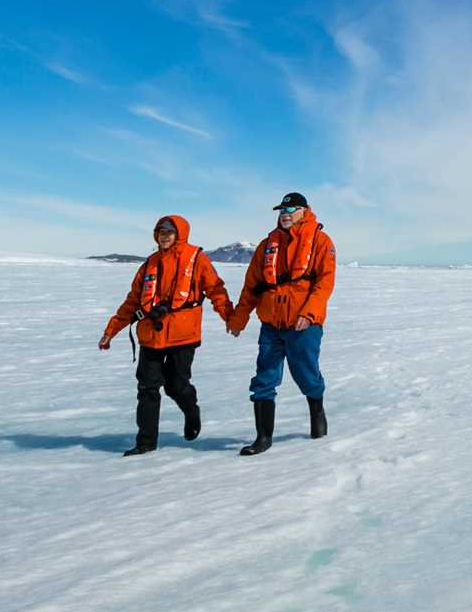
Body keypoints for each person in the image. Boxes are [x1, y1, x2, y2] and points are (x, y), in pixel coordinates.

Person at [100, 215, 233, 456]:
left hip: (183, 336)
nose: (164, 235)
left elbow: (216, 290)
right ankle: (146, 442)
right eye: (160, 231)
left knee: (175, 385)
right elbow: (132, 301)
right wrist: (111, 331)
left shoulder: (197, 259)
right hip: (151, 335)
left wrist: (230, 318)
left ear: (179, 234)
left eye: (169, 232)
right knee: (147, 388)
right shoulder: (149, 264)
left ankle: (192, 411)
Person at [228, 192, 337, 456]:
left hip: (304, 324)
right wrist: (239, 318)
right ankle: (263, 438)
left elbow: (325, 283)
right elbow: (251, 286)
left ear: (305, 210)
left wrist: (309, 313)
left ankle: (316, 408)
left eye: (291, 208)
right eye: (282, 210)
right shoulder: (267, 245)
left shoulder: (321, 242)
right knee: (264, 377)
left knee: (306, 375)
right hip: (271, 324)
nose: (285, 213)